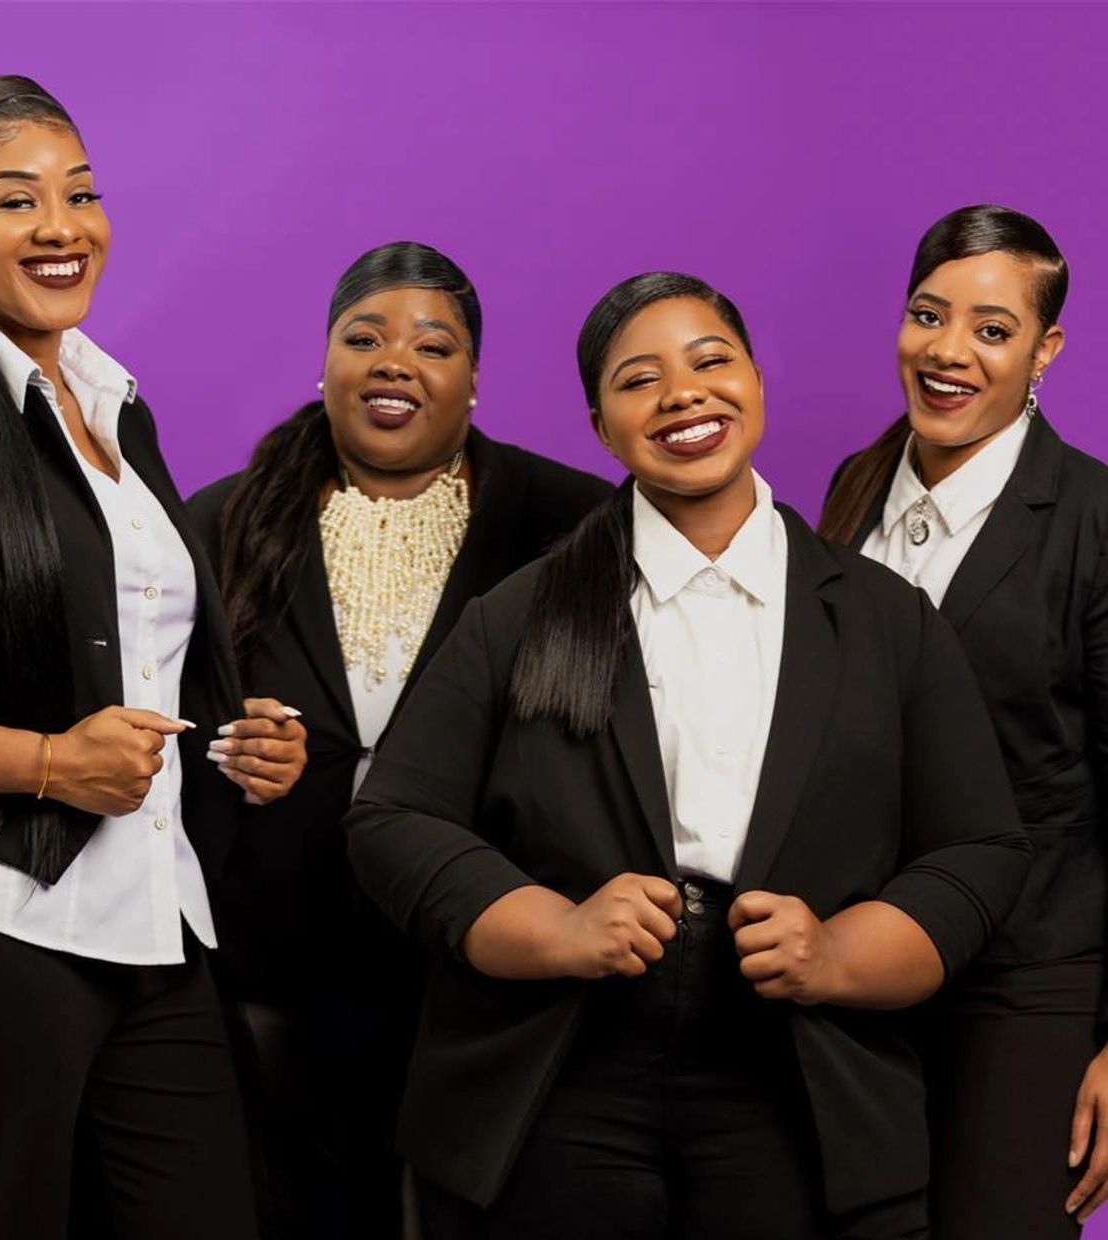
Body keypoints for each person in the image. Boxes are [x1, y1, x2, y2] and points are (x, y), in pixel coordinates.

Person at [345, 270, 1032, 1240]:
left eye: (711, 362)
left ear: (755, 381)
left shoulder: (889, 620)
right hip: (555, 1075)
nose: (681, 394)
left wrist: (838, 954)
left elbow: (979, 848)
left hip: (803, 1075)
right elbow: (393, 820)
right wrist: (557, 928)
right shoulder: (520, 612)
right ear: (599, 427)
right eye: (639, 380)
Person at [0, 75, 305, 1240]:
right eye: (18, 200)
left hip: (155, 923)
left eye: (82, 193)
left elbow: (125, 663)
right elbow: (62, 736)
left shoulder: (116, 411)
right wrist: (50, 763)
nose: (62, 226)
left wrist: (234, 740)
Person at [187, 240, 612, 1237]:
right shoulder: (219, 520)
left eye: (433, 344)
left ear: (474, 379)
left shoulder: (571, 525)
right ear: (324, 363)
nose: (395, 362)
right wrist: (227, 752)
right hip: (273, 968)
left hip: (483, 962)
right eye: (364, 337)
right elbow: (159, 722)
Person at [820, 204, 1108, 1238]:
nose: (947, 352)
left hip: (1027, 975)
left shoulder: (1092, 519)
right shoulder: (855, 489)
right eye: (926, 314)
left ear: (1045, 350)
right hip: (858, 964)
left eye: (991, 329)